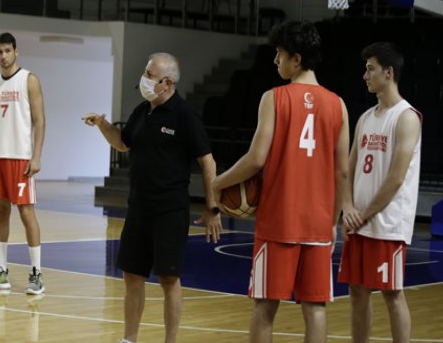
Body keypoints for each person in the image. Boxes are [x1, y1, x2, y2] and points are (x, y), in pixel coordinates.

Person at [212, 21, 350, 343]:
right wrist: (333, 222)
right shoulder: (339, 105)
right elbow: (341, 172)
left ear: (297, 59)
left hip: (280, 222)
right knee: (316, 308)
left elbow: (256, 158)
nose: (275, 60)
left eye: (279, 53)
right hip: (318, 224)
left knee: (264, 306)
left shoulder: (274, 98)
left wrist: (219, 182)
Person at [83, 52, 222, 343]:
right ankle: (129, 339)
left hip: (169, 211)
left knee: (168, 279)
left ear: (167, 82)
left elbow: (208, 163)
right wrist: (103, 126)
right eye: (146, 72)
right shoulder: (141, 111)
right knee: (132, 276)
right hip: (138, 208)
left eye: (149, 74)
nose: (144, 79)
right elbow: (122, 143)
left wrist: (212, 207)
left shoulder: (184, 116)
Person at [339, 42, 421, 343]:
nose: (365, 75)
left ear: (388, 73)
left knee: (392, 293)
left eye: (370, 69)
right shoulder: (364, 118)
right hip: (359, 221)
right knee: (357, 292)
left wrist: (363, 215)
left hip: (387, 226)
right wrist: (346, 208)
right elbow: (348, 170)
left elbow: (396, 178)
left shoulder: (407, 117)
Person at [0, 32, 46, 295]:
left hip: (21, 157)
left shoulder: (29, 79)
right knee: (0, 214)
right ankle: (1, 271)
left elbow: (40, 121)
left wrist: (37, 155)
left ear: (16, 51)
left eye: (8, 50)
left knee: (27, 213)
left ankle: (37, 274)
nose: (3, 56)